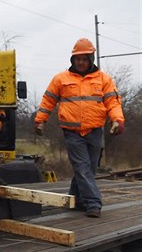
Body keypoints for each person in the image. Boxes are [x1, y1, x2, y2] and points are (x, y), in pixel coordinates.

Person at [34, 38, 124, 218]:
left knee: (88, 169)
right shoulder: (61, 79)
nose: (81, 62)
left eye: (84, 59)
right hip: (72, 132)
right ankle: (93, 203)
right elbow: (48, 101)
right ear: (72, 60)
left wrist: (117, 120)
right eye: (77, 59)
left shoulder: (104, 79)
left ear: (91, 59)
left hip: (94, 131)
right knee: (83, 167)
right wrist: (40, 120)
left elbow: (112, 102)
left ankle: (77, 199)